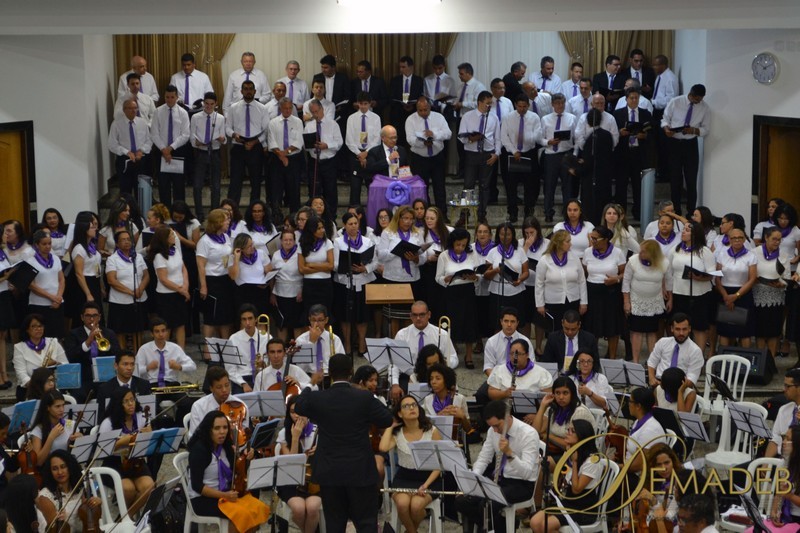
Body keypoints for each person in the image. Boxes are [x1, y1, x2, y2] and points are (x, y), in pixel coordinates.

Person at [295, 354, 393, 533]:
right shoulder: (364, 397)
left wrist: (310, 384)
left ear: (330, 374)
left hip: (330, 471)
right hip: (360, 470)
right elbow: (387, 419)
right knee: (366, 523)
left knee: (334, 524)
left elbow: (299, 405)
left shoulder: (319, 398)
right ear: (351, 372)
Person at [455, 400, 540, 533]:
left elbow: (527, 473)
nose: (495, 430)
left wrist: (510, 453)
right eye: (491, 426)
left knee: (487, 505)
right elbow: (484, 458)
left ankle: (490, 528)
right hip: (500, 480)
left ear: (507, 417)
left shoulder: (528, 434)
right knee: (462, 501)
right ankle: (498, 526)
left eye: (497, 426)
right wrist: (474, 478)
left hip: (521, 484)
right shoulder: (492, 431)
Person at [186, 410, 268, 533]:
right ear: (208, 430)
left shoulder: (225, 446)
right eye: (217, 428)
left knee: (257, 507)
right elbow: (197, 486)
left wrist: (245, 458)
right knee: (241, 514)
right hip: (203, 499)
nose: (222, 432)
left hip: (225, 493)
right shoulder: (200, 450)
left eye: (225, 428)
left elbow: (236, 471)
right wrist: (224, 495)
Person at [530, 419, 606, 532]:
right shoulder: (571, 452)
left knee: (544, 526)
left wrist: (574, 462)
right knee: (534, 522)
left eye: (572, 431)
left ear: (582, 435)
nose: (567, 433)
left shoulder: (593, 461)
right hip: (566, 503)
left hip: (582, 509)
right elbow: (564, 479)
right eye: (568, 429)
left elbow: (576, 489)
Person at [380, 395, 442, 533]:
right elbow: (383, 448)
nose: (412, 408)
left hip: (428, 479)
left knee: (416, 506)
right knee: (402, 504)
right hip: (404, 477)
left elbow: (440, 464)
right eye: (406, 406)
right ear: (400, 414)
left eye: (414, 404)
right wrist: (390, 426)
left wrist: (425, 485)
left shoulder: (432, 431)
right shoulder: (397, 433)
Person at [97, 387, 156, 516]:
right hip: (114, 462)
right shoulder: (108, 423)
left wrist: (149, 435)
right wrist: (124, 441)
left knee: (149, 487)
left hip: (135, 460)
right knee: (128, 489)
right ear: (119, 404)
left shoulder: (141, 417)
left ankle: (124, 518)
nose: (131, 404)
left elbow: (148, 444)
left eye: (132, 399)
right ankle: (127, 520)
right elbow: (102, 449)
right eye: (126, 401)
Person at [666, 222, 716, 352]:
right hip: (678, 293)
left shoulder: (704, 251)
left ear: (695, 234)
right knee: (679, 326)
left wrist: (699, 277)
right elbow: (668, 273)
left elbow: (712, 274)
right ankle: (680, 354)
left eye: (687, 230)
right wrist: (669, 296)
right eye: (683, 229)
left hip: (700, 295)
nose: (683, 232)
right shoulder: (675, 249)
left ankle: (698, 357)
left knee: (699, 327)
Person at [392, 301, 458, 400]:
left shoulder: (442, 334)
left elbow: (454, 358)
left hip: (435, 376)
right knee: (402, 396)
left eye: (422, 315)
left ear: (429, 315)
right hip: (410, 376)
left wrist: (442, 364)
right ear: (410, 316)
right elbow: (395, 363)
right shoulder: (402, 335)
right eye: (415, 315)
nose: (418, 318)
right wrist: (394, 384)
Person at [661, 84, 710, 216]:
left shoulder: (704, 108)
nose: (698, 101)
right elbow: (665, 119)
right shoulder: (676, 102)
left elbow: (706, 129)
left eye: (701, 99)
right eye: (697, 99)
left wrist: (694, 130)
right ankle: (676, 210)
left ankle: (691, 211)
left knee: (691, 179)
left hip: (690, 144)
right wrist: (666, 129)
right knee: (675, 178)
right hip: (674, 142)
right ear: (691, 94)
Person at [276, 395, 322, 533]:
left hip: (314, 482)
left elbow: (331, 459)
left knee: (312, 508)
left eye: (299, 411)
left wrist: (321, 450)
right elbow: (291, 464)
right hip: (291, 482)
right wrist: (295, 438)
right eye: (292, 412)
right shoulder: (284, 433)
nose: (296, 415)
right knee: (299, 509)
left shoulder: (318, 431)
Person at [434, 227, 479, 368]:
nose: (460, 248)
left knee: (469, 322)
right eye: (458, 244)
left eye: (464, 245)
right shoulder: (444, 256)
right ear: (452, 242)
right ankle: (452, 352)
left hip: (468, 291)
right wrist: (445, 279)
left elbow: (478, 274)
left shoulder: (472, 254)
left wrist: (474, 277)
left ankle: (469, 355)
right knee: (452, 323)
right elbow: (437, 277)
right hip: (452, 293)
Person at [334, 212, 377, 356]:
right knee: (345, 315)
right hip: (345, 282)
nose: (353, 226)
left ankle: (362, 344)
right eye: (350, 224)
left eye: (355, 223)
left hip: (363, 281)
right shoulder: (338, 242)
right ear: (344, 226)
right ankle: (347, 344)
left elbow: (375, 261)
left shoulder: (367, 241)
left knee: (362, 315)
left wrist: (365, 268)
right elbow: (334, 263)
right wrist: (346, 266)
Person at [63, 302, 122, 403]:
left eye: (94, 316)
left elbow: (118, 354)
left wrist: (106, 346)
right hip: (83, 379)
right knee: (79, 395)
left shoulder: (109, 333)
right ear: (82, 317)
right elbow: (70, 356)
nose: (91, 319)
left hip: (105, 377)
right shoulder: (73, 334)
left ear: (99, 317)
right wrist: (87, 342)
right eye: (88, 316)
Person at [582, 226, 626, 358]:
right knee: (592, 326)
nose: (592, 241)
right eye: (591, 238)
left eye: (596, 239)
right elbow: (585, 272)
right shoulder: (588, 252)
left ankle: (612, 357)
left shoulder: (617, 252)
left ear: (606, 239)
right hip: (592, 291)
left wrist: (616, 279)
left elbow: (624, 273)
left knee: (612, 326)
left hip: (611, 292)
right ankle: (592, 356)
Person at [623, 240, 670, 362]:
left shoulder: (664, 262)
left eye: (644, 252)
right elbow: (626, 282)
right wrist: (626, 302)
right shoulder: (633, 261)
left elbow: (668, 281)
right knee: (636, 332)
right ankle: (635, 361)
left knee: (652, 332)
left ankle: (652, 362)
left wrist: (670, 298)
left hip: (654, 302)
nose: (640, 253)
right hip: (636, 301)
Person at [459, 91, 501, 223]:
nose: (489, 106)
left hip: (487, 154)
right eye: (487, 103)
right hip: (472, 154)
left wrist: (496, 154)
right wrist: (472, 138)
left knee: (485, 186)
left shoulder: (494, 118)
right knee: (468, 185)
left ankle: (482, 214)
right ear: (479, 102)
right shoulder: (467, 116)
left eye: (491, 104)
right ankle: (464, 214)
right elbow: (461, 137)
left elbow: (498, 138)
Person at [35, 449, 102, 532]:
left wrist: (96, 504)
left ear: (70, 467)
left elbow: (86, 516)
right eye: (55, 469)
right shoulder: (45, 497)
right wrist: (62, 521)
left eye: (63, 467)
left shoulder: (78, 487)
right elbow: (54, 530)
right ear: (50, 472)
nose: (60, 472)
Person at [105, 229, 148, 351]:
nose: (127, 242)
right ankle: (122, 354)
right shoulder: (112, 259)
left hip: (139, 298)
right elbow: (112, 280)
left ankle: (138, 353)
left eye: (128, 239)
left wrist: (140, 289)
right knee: (121, 331)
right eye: (123, 240)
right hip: (120, 301)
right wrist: (131, 292)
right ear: (117, 244)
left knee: (138, 329)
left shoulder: (138, 257)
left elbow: (146, 276)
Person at [406, 97, 451, 214]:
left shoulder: (439, 117)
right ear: (416, 109)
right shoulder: (410, 120)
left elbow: (448, 133)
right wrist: (423, 143)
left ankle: (442, 215)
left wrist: (434, 135)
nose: (423, 113)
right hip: (419, 158)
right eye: (420, 110)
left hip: (437, 157)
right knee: (422, 188)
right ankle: (425, 215)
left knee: (439, 187)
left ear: (430, 107)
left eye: (425, 110)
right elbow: (410, 139)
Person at [535, 229, 588, 327]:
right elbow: (539, 283)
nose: (570, 244)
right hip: (553, 303)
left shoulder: (574, 258)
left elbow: (581, 281)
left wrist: (583, 302)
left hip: (573, 301)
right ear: (558, 243)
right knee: (555, 330)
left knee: (572, 329)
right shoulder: (545, 260)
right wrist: (540, 304)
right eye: (568, 241)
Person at [753, 227, 792, 359]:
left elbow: (787, 277)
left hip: (776, 297)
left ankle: (771, 362)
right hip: (758, 295)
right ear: (766, 238)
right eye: (774, 239)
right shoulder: (755, 252)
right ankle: (761, 362)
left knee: (774, 332)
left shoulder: (783, 255)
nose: (777, 242)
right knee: (760, 331)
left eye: (779, 240)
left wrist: (782, 284)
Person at [149, 224, 191, 347]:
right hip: (166, 295)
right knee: (167, 326)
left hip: (180, 292)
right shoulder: (159, 256)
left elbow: (183, 268)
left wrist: (185, 285)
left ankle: (181, 351)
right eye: (172, 235)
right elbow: (163, 279)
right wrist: (181, 290)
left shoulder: (175, 250)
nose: (174, 237)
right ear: (165, 239)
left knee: (181, 324)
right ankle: (165, 350)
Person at [714, 227, 757, 347]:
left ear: (744, 239)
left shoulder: (751, 256)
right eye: (734, 238)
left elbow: (752, 278)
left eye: (740, 237)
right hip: (725, 293)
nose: (737, 240)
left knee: (744, 332)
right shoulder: (722, 254)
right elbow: (717, 278)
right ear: (729, 239)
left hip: (743, 294)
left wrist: (736, 295)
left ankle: (745, 357)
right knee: (725, 331)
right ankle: (724, 357)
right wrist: (726, 296)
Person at [377, 206, 427, 307]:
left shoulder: (417, 233)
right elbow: (381, 256)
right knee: (394, 311)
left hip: (412, 278)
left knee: (410, 310)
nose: (408, 222)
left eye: (411, 219)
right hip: (392, 277)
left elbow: (423, 256)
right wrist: (397, 251)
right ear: (398, 218)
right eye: (405, 218)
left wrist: (416, 259)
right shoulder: (387, 233)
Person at [225, 80, 266, 204]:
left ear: (255, 91)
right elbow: (227, 127)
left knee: (256, 181)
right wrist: (233, 135)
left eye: (250, 89)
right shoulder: (233, 108)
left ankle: (255, 210)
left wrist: (255, 142)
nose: (248, 91)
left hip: (256, 147)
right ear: (241, 91)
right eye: (246, 89)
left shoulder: (262, 108)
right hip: (238, 146)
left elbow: (266, 130)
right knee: (235, 181)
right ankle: (232, 210)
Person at [198, 209, 235, 345]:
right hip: (212, 281)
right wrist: (203, 286)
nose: (228, 222)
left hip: (225, 280)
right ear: (218, 222)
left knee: (225, 317)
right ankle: (208, 349)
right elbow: (201, 265)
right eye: (226, 219)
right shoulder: (205, 241)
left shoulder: (226, 237)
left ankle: (225, 347)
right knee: (211, 317)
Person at [151, 84, 191, 208]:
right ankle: (165, 214)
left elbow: (185, 135)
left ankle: (179, 212)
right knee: (163, 186)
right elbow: (154, 133)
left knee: (179, 186)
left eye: (172, 97)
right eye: (167, 97)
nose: (169, 100)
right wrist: (164, 149)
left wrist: (171, 148)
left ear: (177, 97)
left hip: (177, 151)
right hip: (161, 152)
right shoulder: (158, 111)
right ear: (164, 97)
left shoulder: (183, 113)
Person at [533, 377, 594, 457]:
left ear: (572, 394)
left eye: (565, 393)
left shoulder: (580, 412)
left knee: (541, 461)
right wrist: (542, 406)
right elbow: (535, 432)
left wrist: (548, 436)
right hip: (556, 450)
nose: (561, 397)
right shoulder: (553, 409)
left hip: (577, 455)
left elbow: (573, 445)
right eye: (557, 393)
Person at [13, 313, 67, 401]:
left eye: (40, 326)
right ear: (27, 329)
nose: (38, 329)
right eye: (34, 326)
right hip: (29, 389)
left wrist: (56, 363)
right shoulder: (19, 347)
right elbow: (21, 374)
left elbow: (66, 366)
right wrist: (38, 386)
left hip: (52, 387)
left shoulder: (53, 342)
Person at [191, 91, 227, 221]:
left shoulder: (220, 118)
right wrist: (198, 142)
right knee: (197, 185)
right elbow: (192, 137)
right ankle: (199, 214)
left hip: (215, 152)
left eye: (212, 104)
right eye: (206, 103)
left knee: (216, 186)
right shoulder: (195, 117)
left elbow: (224, 139)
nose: (209, 106)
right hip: (201, 152)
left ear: (216, 104)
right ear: (203, 103)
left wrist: (221, 139)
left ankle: (214, 213)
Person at [188, 366, 248, 439]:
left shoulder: (240, 405)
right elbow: (193, 437)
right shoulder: (198, 406)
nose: (224, 390)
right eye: (219, 387)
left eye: (227, 385)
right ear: (211, 388)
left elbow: (244, 436)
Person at [305, 99, 343, 213]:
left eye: (317, 111)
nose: (315, 114)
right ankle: (313, 215)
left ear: (322, 109)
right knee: (314, 190)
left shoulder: (333, 124)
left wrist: (327, 145)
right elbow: (305, 146)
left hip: (329, 162)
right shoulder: (309, 126)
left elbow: (339, 142)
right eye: (313, 112)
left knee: (330, 190)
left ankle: (331, 216)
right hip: (314, 162)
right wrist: (310, 145)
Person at [108, 97, 152, 195]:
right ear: (124, 110)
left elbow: (149, 140)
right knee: (125, 190)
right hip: (125, 160)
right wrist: (126, 152)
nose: (133, 110)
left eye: (135, 108)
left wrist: (141, 150)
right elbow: (112, 144)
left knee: (141, 191)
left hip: (140, 159)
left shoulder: (142, 122)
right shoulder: (117, 124)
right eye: (130, 108)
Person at [26, 229, 66, 337]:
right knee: (41, 335)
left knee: (57, 334)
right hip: (39, 304)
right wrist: (51, 297)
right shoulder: (30, 261)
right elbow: (31, 285)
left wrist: (58, 297)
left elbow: (61, 279)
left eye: (49, 243)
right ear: (37, 245)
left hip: (57, 302)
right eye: (44, 244)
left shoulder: (56, 259)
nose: (48, 246)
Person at [488, 339, 553, 403]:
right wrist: (505, 394)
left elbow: (548, 396)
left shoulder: (541, 372)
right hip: (504, 407)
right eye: (512, 353)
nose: (514, 357)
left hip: (532, 408)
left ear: (527, 355)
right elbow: (491, 393)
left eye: (518, 354)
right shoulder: (499, 369)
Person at [633, 444, 683, 529]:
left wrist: (654, 501)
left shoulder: (680, 482)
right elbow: (640, 508)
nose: (663, 468)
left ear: (673, 462)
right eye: (658, 464)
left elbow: (670, 517)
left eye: (667, 463)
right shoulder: (653, 478)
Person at [136, 317, 196, 387]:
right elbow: (135, 372)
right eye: (157, 331)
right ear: (152, 334)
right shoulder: (144, 349)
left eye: (163, 331)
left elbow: (193, 366)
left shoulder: (175, 348)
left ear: (167, 332)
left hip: (171, 383)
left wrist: (179, 367)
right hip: (151, 384)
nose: (161, 334)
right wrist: (147, 368)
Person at [66, 215, 103, 327]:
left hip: (95, 281)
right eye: (92, 227)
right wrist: (88, 293)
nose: (95, 229)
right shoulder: (79, 249)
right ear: (84, 230)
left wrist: (101, 286)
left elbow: (96, 266)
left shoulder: (92, 246)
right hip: (85, 284)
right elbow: (79, 273)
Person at [647, 313, 704, 386]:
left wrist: (675, 388)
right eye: (677, 329)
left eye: (684, 329)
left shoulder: (695, 351)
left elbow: (692, 378)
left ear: (689, 329)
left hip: (682, 386)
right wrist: (651, 378)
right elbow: (652, 362)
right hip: (660, 382)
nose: (681, 333)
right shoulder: (662, 342)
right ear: (672, 328)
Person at [226, 304, 273, 393]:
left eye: (250, 318)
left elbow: (274, 362)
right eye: (244, 319)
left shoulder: (267, 337)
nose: (247, 323)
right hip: (242, 378)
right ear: (241, 321)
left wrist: (264, 364)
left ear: (256, 319)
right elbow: (230, 369)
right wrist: (243, 383)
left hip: (263, 376)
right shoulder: (233, 339)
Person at [346, 91, 382, 205]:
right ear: (357, 103)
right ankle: (354, 211)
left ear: (370, 104)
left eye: (365, 104)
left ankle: (374, 210)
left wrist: (366, 152)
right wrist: (359, 154)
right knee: (355, 187)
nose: (363, 106)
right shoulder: (351, 118)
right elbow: (349, 139)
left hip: (370, 154)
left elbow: (377, 139)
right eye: (361, 104)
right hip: (356, 154)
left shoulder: (376, 118)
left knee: (371, 186)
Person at [96, 351, 152, 422]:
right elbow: (100, 417)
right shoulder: (105, 389)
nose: (129, 368)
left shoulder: (143, 385)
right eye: (125, 364)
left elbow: (149, 412)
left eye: (132, 364)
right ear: (116, 366)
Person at [294, 304, 344, 382]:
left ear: (326, 320)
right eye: (313, 320)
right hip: (308, 378)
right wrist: (311, 343)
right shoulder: (300, 340)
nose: (316, 324)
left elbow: (342, 364)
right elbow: (300, 368)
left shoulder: (335, 339)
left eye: (320, 320)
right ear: (309, 320)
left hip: (329, 377)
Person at [270, 229, 305, 339]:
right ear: (281, 241)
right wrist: (272, 293)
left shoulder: (300, 254)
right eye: (285, 240)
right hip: (280, 293)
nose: (288, 242)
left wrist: (302, 291)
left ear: (294, 241)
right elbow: (272, 276)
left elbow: (305, 274)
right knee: (281, 324)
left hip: (296, 294)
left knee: (297, 324)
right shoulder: (276, 255)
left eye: (290, 240)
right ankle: (281, 347)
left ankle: (297, 348)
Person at [229, 233, 273, 317]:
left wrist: (268, 285)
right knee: (245, 319)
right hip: (243, 293)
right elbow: (233, 276)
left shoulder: (261, 253)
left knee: (261, 318)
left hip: (260, 291)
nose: (252, 247)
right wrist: (236, 259)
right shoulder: (233, 258)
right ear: (241, 248)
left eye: (252, 244)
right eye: (249, 246)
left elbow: (270, 273)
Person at [298, 214, 334, 317]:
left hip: (325, 284)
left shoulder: (328, 243)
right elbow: (302, 269)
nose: (322, 230)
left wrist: (311, 264)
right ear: (311, 229)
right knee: (309, 313)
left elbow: (331, 266)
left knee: (325, 313)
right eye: (319, 228)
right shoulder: (302, 245)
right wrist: (322, 267)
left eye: (323, 227)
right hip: (309, 284)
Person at [29, 391, 79, 465]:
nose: (62, 409)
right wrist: (51, 438)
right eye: (57, 406)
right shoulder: (38, 430)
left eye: (63, 405)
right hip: (50, 468)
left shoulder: (71, 424)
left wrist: (80, 438)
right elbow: (38, 462)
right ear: (48, 408)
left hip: (70, 465)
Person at [625, 387, 667, 474]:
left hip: (640, 476)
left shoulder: (650, 430)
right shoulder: (638, 421)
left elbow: (638, 465)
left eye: (630, 401)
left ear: (638, 406)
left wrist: (616, 467)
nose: (628, 404)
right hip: (628, 467)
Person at [424, 363, 471, 435]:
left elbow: (468, 430)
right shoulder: (428, 400)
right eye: (431, 379)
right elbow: (425, 428)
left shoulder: (459, 399)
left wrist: (463, 417)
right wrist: (439, 417)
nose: (433, 382)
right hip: (433, 437)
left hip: (454, 439)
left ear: (446, 380)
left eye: (438, 378)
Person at [765, 369, 800, 459]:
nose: (784, 389)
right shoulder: (784, 410)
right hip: (780, 459)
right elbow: (775, 439)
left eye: (787, 386)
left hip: (796, 462)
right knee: (739, 467)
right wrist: (765, 463)